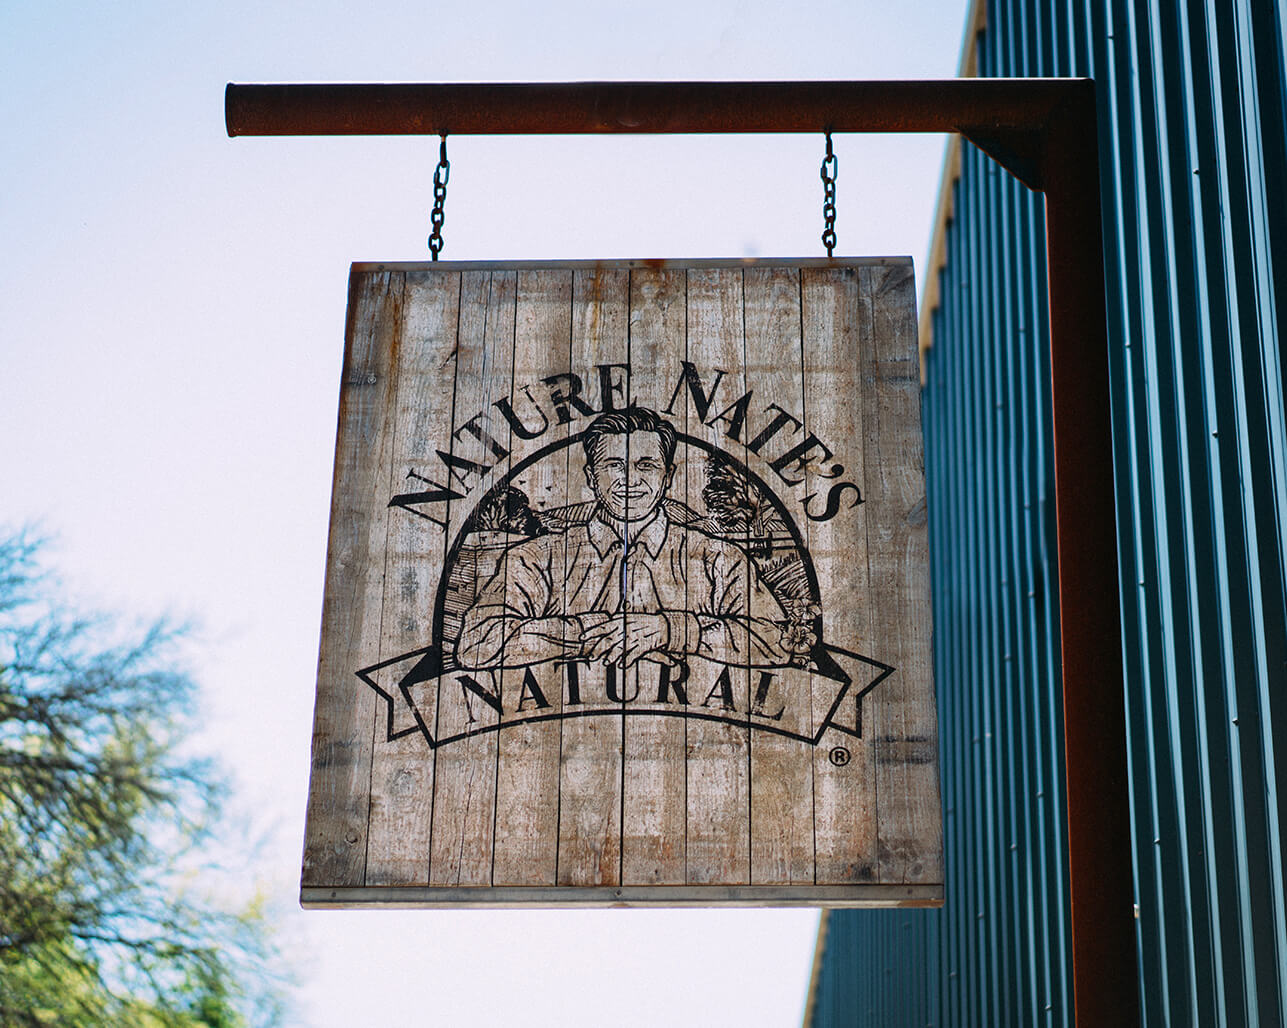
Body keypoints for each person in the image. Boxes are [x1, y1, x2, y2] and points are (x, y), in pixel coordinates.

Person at [455, 407, 791, 670]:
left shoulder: (718, 558)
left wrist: (670, 631)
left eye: (646, 465)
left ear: (668, 476)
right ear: (591, 476)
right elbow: (475, 643)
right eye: (614, 464)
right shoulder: (536, 559)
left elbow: (777, 639)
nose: (629, 480)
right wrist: (584, 632)